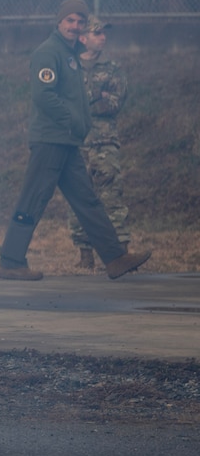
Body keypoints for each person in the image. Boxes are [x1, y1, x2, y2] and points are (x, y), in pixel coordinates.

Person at [0, 0, 150, 281]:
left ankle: (114, 257)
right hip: (51, 140)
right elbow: (44, 96)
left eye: (80, 21)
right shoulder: (48, 53)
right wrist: (75, 121)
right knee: (33, 199)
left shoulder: (70, 55)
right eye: (70, 20)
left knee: (87, 200)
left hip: (67, 143)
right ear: (59, 22)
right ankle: (10, 261)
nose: (75, 26)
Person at [68, 17, 131, 268]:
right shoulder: (70, 67)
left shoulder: (113, 69)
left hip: (105, 143)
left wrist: (86, 101)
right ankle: (85, 256)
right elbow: (66, 103)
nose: (103, 37)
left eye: (104, 33)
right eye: (97, 33)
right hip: (77, 142)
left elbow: (113, 104)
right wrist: (97, 95)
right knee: (78, 196)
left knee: (112, 195)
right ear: (83, 38)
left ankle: (121, 252)